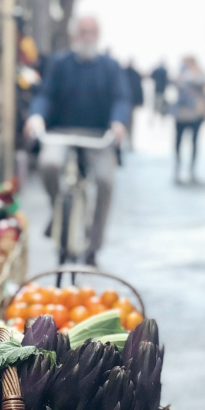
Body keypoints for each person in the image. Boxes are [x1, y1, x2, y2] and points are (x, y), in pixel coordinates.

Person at [24, 15, 130, 267]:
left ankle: (94, 245)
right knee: (49, 164)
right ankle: (59, 210)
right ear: (75, 34)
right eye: (83, 31)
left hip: (97, 136)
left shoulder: (110, 67)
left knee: (105, 181)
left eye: (92, 31)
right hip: (62, 132)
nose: (87, 36)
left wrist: (118, 123)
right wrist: (37, 117)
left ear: (98, 34)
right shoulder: (60, 63)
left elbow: (121, 98)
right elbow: (45, 95)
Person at [173, 56, 205, 183]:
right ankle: (178, 166)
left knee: (194, 142)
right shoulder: (181, 74)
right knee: (179, 141)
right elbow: (178, 87)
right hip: (182, 113)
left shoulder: (200, 74)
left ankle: (192, 168)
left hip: (195, 114)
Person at [124, 62, 144, 147]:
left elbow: (139, 88)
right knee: (128, 122)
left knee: (128, 122)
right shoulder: (135, 74)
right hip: (129, 101)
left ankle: (128, 141)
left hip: (129, 101)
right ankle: (128, 141)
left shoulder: (124, 73)